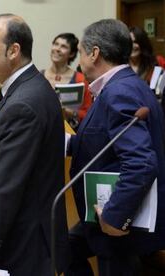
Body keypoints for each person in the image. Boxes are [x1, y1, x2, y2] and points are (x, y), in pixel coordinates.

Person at [0, 14, 69, 276]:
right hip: (27, 237)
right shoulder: (29, 87)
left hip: (25, 244)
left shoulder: (24, 103)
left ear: (13, 51)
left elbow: (6, 184)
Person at [66, 19, 165, 276]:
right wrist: (67, 143)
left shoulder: (119, 92)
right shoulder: (127, 85)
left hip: (120, 221)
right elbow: (106, 138)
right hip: (110, 213)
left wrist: (114, 216)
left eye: (83, 51)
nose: (81, 59)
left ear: (95, 53)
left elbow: (141, 162)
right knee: (67, 248)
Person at [42, 33, 92, 127]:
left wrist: (69, 112)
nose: (57, 49)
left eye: (63, 46)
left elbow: (89, 114)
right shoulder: (39, 76)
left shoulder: (81, 79)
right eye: (56, 44)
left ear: (72, 53)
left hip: (70, 132)